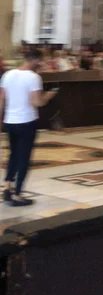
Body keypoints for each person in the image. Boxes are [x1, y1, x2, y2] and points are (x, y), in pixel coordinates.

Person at [0, 49, 57, 206]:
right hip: (26, 121)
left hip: (10, 121)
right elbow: (37, 102)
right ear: (36, 60)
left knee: (13, 154)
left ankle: (7, 187)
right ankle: (18, 194)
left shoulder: (7, 75)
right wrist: (51, 94)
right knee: (24, 157)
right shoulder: (33, 77)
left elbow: (1, 99)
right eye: (41, 60)